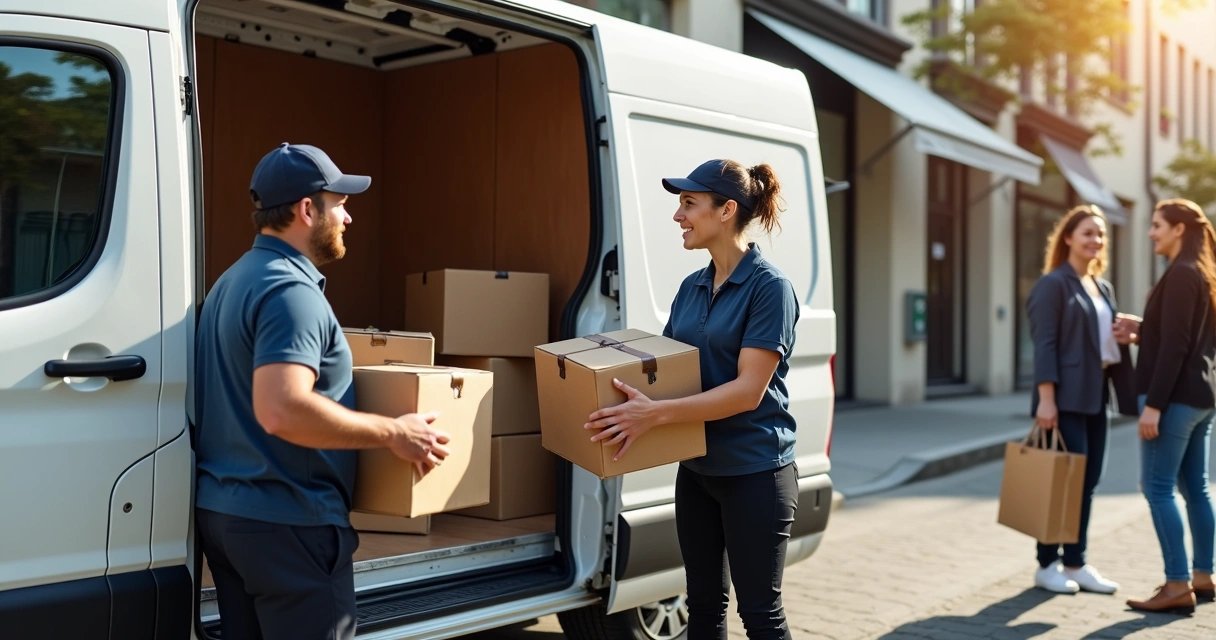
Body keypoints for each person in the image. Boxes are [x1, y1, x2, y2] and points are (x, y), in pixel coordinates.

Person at [191, 142, 452, 640]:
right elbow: (282, 409)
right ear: (307, 209)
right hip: (290, 527)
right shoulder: (291, 292)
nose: (348, 218)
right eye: (340, 204)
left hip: (228, 520)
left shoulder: (229, 283)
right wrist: (394, 432)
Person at [583, 159, 799, 639]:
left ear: (726, 211)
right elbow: (666, 372)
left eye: (688, 204)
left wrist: (652, 415)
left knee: (761, 615)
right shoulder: (692, 286)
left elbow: (748, 391)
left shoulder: (769, 288)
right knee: (701, 608)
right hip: (699, 471)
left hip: (755, 472)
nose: (678, 216)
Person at [1025, 205, 1136, 595]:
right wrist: (1046, 400)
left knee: (1087, 483)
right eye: (1088, 232)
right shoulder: (1053, 284)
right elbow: (1045, 345)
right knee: (1059, 483)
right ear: (1068, 237)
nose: (1096, 240)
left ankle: (1075, 562)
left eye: (1101, 234)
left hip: (1095, 398)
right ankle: (1046, 563)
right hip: (1064, 400)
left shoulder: (1101, 287)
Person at [1114, 198, 1216, 615]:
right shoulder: (1203, 273)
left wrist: (1153, 406)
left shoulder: (1179, 275)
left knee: (1156, 488)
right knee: (1196, 488)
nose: (1151, 232)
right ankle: (1203, 576)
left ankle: (1176, 584)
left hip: (1172, 399)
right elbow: (1188, 338)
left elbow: (1176, 346)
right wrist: (1143, 331)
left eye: (1157, 225)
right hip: (1201, 397)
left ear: (1178, 229)